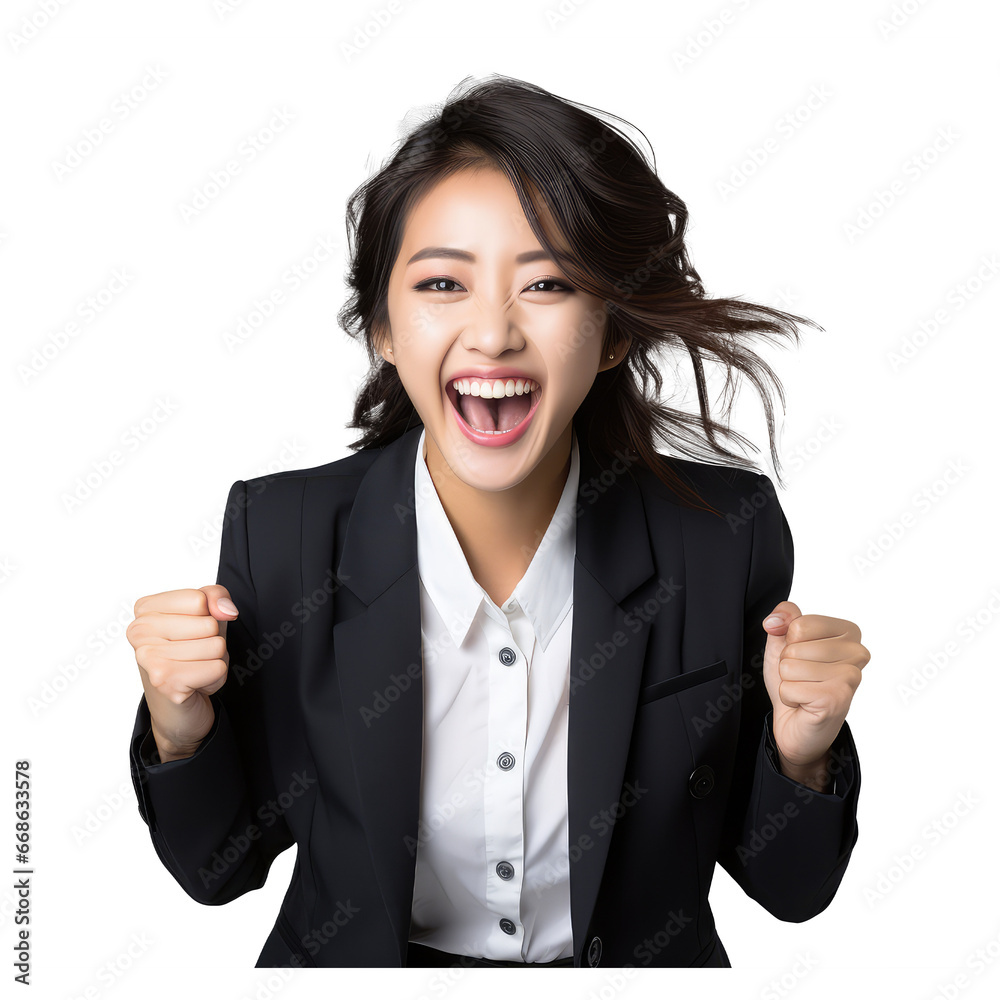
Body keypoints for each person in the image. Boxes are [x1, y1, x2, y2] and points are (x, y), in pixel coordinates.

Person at [126, 74, 868, 968]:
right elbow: (217, 868)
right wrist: (179, 725)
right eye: (443, 282)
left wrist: (803, 748)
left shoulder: (720, 534)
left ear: (614, 330)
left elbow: (791, 890)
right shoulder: (284, 532)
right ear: (383, 327)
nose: (492, 333)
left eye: (548, 283)